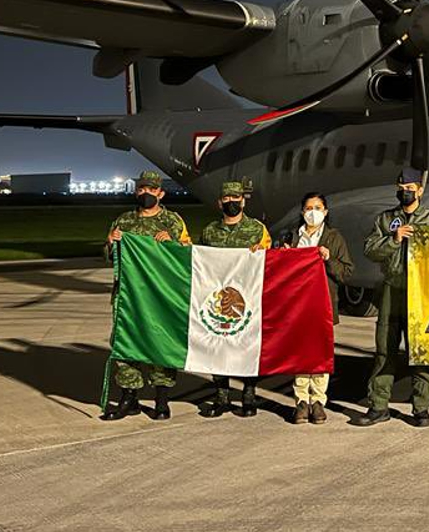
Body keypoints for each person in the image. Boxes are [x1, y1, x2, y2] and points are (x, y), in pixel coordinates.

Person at [354, 167, 429, 427]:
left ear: (420, 190)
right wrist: (394, 239)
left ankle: (421, 408)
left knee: (420, 350)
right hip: (391, 289)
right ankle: (379, 405)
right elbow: (370, 249)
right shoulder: (386, 220)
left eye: (409, 189)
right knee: (385, 349)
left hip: (421, 293)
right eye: (401, 188)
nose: (405, 193)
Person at [101, 170, 190, 421]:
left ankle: (162, 399)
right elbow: (110, 257)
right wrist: (110, 242)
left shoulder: (172, 221)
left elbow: (186, 254)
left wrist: (171, 242)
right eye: (141, 189)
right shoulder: (124, 221)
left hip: (160, 294)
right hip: (127, 294)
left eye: (151, 190)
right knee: (126, 343)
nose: (146, 194)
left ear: (161, 193)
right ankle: (129, 397)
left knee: (160, 341)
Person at [277, 192, 354, 425]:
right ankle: (301, 400)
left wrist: (329, 259)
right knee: (301, 353)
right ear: (302, 212)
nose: (313, 212)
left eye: (318, 208)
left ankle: (318, 400)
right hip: (298, 304)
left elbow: (347, 272)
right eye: (309, 208)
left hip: (324, 304)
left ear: (326, 212)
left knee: (320, 353)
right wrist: (284, 257)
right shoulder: (292, 236)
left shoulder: (334, 237)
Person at [196, 180, 271, 418]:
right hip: (218, 299)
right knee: (217, 345)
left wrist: (260, 254)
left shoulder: (257, 230)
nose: (231, 202)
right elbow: (200, 264)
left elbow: (270, 259)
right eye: (227, 199)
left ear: (243, 200)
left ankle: (249, 394)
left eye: (235, 198)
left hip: (248, 298)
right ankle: (222, 397)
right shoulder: (210, 231)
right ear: (220, 202)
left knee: (246, 346)